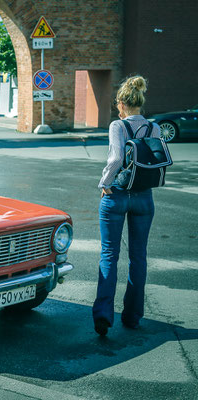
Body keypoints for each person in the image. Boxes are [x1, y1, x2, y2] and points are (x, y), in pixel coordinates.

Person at [93, 75, 161, 336]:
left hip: (117, 194)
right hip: (144, 196)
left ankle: (103, 315)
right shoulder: (153, 128)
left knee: (110, 254)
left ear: (122, 103)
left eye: (117, 104)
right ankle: (132, 317)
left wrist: (104, 183)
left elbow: (116, 157)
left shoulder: (117, 126)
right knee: (138, 257)